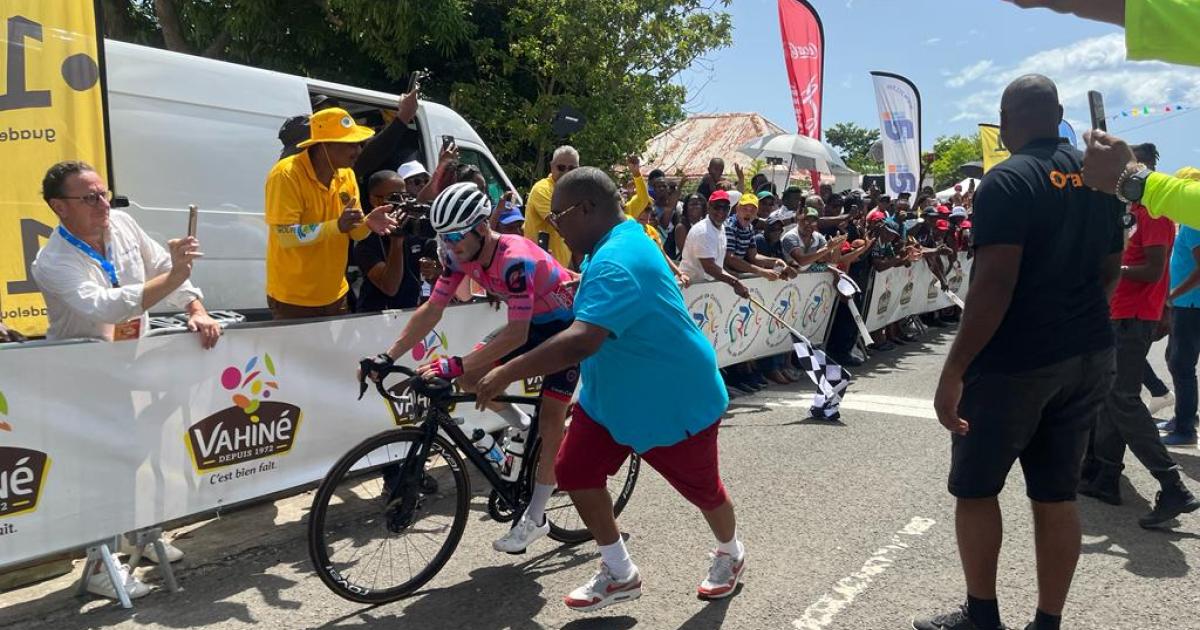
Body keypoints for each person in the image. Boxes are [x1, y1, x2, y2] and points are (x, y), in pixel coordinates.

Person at [473, 167, 745, 612]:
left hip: (672, 399)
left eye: (558, 215)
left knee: (704, 491)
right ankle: (620, 572)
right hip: (611, 398)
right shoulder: (620, 241)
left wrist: (505, 371)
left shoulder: (616, 261)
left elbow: (583, 339)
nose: (552, 224)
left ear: (586, 209)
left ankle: (730, 553)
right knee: (575, 472)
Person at [917, 75, 1124, 630]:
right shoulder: (1099, 179)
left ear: (1006, 123)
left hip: (1016, 361)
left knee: (976, 489)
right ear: (1057, 115)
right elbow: (1110, 272)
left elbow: (993, 285)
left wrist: (954, 368)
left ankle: (982, 617)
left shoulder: (1007, 179)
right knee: (1057, 496)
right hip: (1087, 353)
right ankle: (1047, 623)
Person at [31, 160, 222, 600]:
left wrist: (194, 306)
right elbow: (107, 307)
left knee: (142, 452)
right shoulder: (52, 261)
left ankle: (140, 536)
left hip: (135, 362)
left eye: (104, 193)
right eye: (90, 198)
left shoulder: (123, 222)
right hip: (86, 373)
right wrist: (174, 275)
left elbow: (160, 265)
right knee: (102, 468)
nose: (103, 203)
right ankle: (100, 566)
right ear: (60, 208)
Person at [364, 182, 578, 554]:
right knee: (469, 378)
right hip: (530, 325)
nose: (449, 246)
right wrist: (389, 355)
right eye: (443, 238)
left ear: (481, 228)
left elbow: (516, 333)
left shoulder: (515, 259)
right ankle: (521, 427)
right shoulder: (457, 256)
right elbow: (432, 309)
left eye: (456, 236)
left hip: (565, 326)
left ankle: (537, 516)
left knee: (551, 418)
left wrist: (453, 360)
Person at [1078, 160, 1197, 527]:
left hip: (1133, 318)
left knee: (1123, 399)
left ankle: (1172, 484)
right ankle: (1106, 476)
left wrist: (1111, 270)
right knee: (1112, 396)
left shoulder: (1156, 215)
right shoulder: (1135, 213)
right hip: (1123, 315)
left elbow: (1154, 270)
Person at [264, 107, 397, 320]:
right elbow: (285, 236)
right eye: (350, 144)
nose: (358, 150)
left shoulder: (347, 175)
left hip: (336, 295)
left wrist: (368, 225)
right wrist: (337, 226)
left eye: (358, 143)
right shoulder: (285, 175)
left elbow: (355, 233)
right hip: (293, 299)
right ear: (324, 146)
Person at [353, 170, 439, 312]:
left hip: (412, 313)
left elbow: (440, 271)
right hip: (375, 318)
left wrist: (433, 269)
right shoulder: (364, 239)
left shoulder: (415, 227)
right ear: (374, 200)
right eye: (393, 197)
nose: (401, 202)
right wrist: (396, 240)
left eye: (404, 196)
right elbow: (390, 287)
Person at [1161, 168, 1200, 445]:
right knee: (1174, 360)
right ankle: (1185, 415)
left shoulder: (1194, 224)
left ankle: (1185, 428)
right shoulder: (1188, 222)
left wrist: (1173, 294)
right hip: (1185, 304)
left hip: (1190, 305)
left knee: (1181, 364)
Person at [679, 191, 750, 299]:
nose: (721, 211)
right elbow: (710, 267)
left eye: (725, 208)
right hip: (688, 290)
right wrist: (735, 282)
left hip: (706, 290)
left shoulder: (720, 228)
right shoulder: (703, 231)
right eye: (717, 207)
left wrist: (732, 277)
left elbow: (717, 264)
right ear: (708, 207)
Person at [525, 146, 580, 267]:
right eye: (561, 168)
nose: (566, 172)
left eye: (571, 168)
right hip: (538, 268)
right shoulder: (543, 189)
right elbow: (561, 225)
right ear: (551, 166)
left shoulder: (571, 192)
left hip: (560, 268)